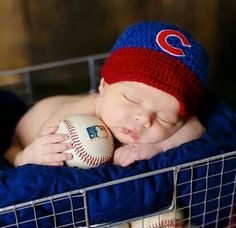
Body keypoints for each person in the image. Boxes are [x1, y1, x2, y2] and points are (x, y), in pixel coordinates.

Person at [5, 21, 209, 167]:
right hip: (25, 135)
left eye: (165, 118)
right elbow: (46, 141)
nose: (144, 119)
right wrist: (28, 156)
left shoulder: (168, 122)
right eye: (131, 99)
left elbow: (195, 126)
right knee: (15, 156)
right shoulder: (74, 118)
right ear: (104, 86)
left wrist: (160, 147)